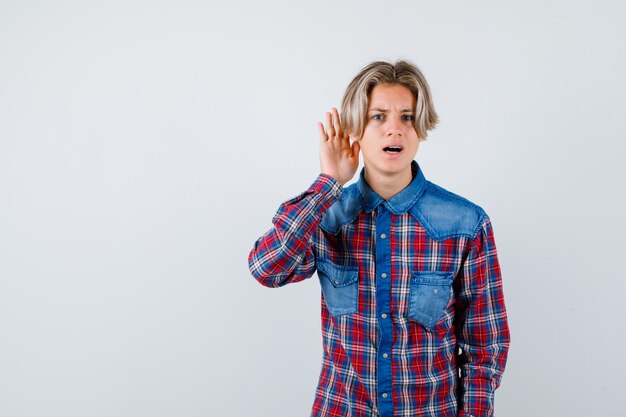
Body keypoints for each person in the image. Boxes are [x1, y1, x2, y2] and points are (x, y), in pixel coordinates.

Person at [247, 59, 510, 417]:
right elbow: (267, 269)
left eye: (406, 117)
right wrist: (329, 183)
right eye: (378, 116)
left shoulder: (465, 223)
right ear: (356, 128)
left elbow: (484, 346)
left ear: (420, 128)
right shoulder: (328, 216)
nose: (395, 130)